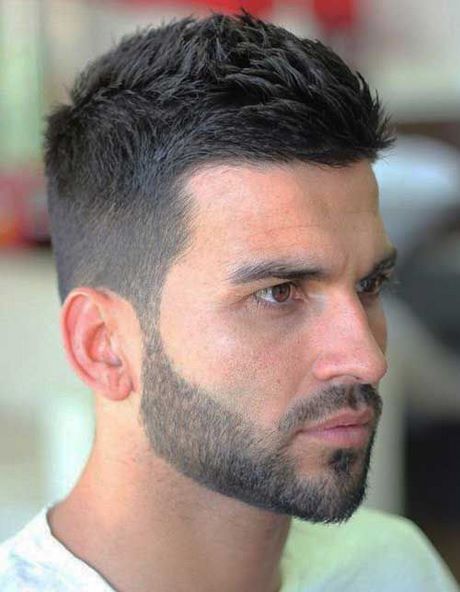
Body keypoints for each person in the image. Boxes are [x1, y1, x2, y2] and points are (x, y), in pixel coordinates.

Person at [0, 11, 458, 592]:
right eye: (278, 293)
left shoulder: (395, 567)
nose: (367, 360)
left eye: (368, 285)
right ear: (103, 345)